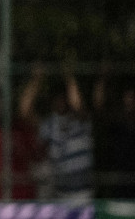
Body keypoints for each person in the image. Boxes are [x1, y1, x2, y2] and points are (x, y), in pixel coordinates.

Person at [22, 66, 94, 201]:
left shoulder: (81, 119)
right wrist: (36, 80)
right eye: (57, 98)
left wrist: (69, 79)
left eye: (63, 97)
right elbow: (25, 111)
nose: (60, 101)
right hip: (60, 195)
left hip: (83, 194)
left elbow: (77, 104)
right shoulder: (49, 124)